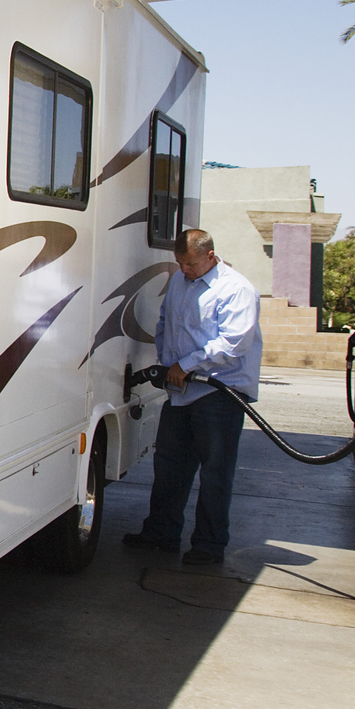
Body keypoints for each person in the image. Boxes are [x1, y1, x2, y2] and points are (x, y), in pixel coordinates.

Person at [125, 227, 262, 566]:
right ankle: (161, 534)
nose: (185, 270)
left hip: (218, 392)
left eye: (190, 264)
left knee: (214, 472)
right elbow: (165, 323)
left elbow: (234, 343)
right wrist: (166, 361)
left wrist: (184, 365)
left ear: (211, 256)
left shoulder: (237, 290)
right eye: (180, 264)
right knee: (170, 466)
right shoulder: (179, 283)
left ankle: (209, 545)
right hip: (181, 390)